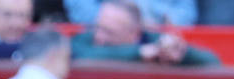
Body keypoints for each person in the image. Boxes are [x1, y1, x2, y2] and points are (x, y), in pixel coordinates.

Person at [71, 0, 218, 66]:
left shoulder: (153, 42)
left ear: (135, 35)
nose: (99, 36)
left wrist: (180, 52)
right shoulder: (84, 40)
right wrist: (141, 53)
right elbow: (79, 55)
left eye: (109, 33)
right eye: (98, 27)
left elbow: (211, 61)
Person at [64, 0, 195, 26]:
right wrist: (121, 22)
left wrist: (167, 20)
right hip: (105, 41)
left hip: (162, 38)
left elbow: (186, 12)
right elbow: (81, 12)